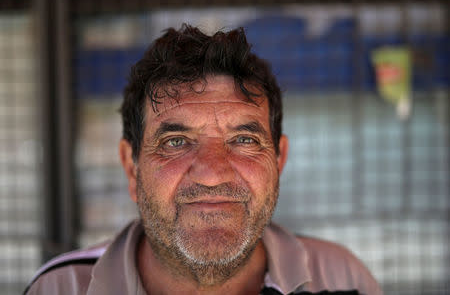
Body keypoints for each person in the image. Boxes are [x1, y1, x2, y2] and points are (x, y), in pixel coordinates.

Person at [25, 24, 382, 295]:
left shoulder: (341, 279)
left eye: (243, 140)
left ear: (279, 160)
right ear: (131, 167)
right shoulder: (62, 287)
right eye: (176, 141)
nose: (212, 174)